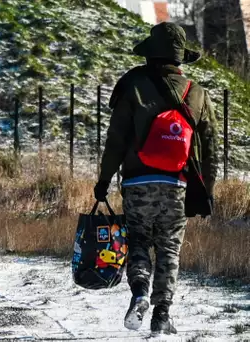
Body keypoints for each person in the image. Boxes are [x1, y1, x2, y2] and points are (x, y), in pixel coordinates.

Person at [94, 22, 217, 336]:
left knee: (138, 242)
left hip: (137, 182)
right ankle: (162, 314)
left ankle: (139, 293)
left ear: (150, 53)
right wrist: (208, 191)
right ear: (179, 58)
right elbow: (211, 148)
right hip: (177, 184)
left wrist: (104, 180)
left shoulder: (132, 85)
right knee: (169, 249)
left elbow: (116, 140)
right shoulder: (197, 93)